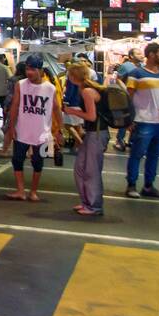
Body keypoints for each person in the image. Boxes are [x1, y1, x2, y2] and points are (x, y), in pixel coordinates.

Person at [1, 53, 60, 203]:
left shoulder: (50, 88)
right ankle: (20, 190)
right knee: (17, 160)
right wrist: (11, 126)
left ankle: (33, 191)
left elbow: (56, 109)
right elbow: (15, 106)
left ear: (40, 70)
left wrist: (60, 130)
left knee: (38, 162)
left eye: (33, 69)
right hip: (22, 130)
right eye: (28, 69)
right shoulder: (20, 85)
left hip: (42, 133)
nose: (29, 72)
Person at [125, 43, 159, 199]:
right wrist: (129, 119)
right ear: (152, 54)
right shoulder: (136, 73)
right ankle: (131, 184)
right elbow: (128, 97)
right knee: (137, 154)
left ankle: (148, 185)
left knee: (154, 155)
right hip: (142, 120)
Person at [64, 62, 105, 217]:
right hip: (93, 133)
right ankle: (86, 201)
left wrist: (72, 112)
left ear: (74, 76)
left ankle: (94, 206)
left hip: (97, 133)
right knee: (80, 168)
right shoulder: (86, 89)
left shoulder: (87, 91)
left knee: (91, 171)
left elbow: (91, 116)